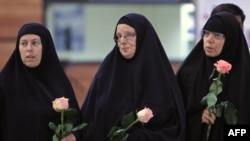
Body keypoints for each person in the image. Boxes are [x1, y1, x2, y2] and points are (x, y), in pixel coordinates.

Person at [80, 13, 186, 141]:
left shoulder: (160, 76)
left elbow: (174, 129)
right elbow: (88, 119)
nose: (122, 41)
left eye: (129, 35)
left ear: (142, 36)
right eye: (118, 36)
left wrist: (136, 137)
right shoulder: (107, 73)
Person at [176, 12, 250, 141]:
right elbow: (173, 122)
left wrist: (221, 129)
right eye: (206, 33)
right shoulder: (188, 73)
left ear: (231, 40)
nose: (209, 39)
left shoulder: (245, 77)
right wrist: (199, 118)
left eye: (218, 35)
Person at [0, 22, 80, 141]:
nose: (29, 49)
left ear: (45, 46)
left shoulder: (59, 84)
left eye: (35, 43)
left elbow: (77, 123)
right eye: (23, 43)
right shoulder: (4, 85)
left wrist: (73, 136)